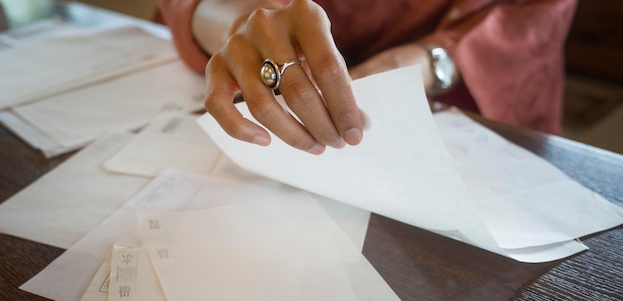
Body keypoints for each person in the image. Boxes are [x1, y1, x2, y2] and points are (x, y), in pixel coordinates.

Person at [156, 0, 577, 155]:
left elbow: (531, 18)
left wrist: (434, 59)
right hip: (266, 60)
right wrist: (243, 25)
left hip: (470, 78)